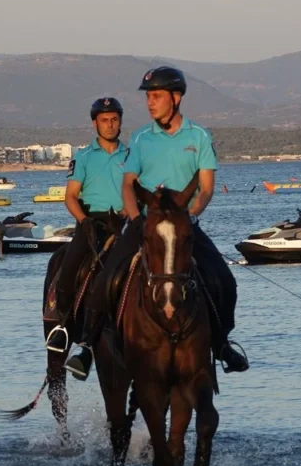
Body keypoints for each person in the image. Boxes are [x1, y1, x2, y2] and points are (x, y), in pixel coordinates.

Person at [66, 67, 248, 380]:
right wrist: (136, 219)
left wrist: (192, 215)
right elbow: (128, 184)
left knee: (224, 280)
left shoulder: (199, 136)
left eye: (156, 96)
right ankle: (85, 346)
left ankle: (221, 344)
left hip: (183, 226)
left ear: (176, 98)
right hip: (145, 225)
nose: (150, 103)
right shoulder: (139, 138)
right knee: (105, 278)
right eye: (148, 96)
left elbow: (205, 188)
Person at [47, 97, 128, 363]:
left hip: (124, 220)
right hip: (90, 221)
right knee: (68, 268)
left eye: (114, 119)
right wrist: (83, 220)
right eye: (104, 120)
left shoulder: (130, 156)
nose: (110, 124)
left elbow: (137, 191)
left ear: (120, 122)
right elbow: (71, 196)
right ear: (95, 123)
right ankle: (63, 326)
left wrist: (128, 213)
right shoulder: (83, 157)